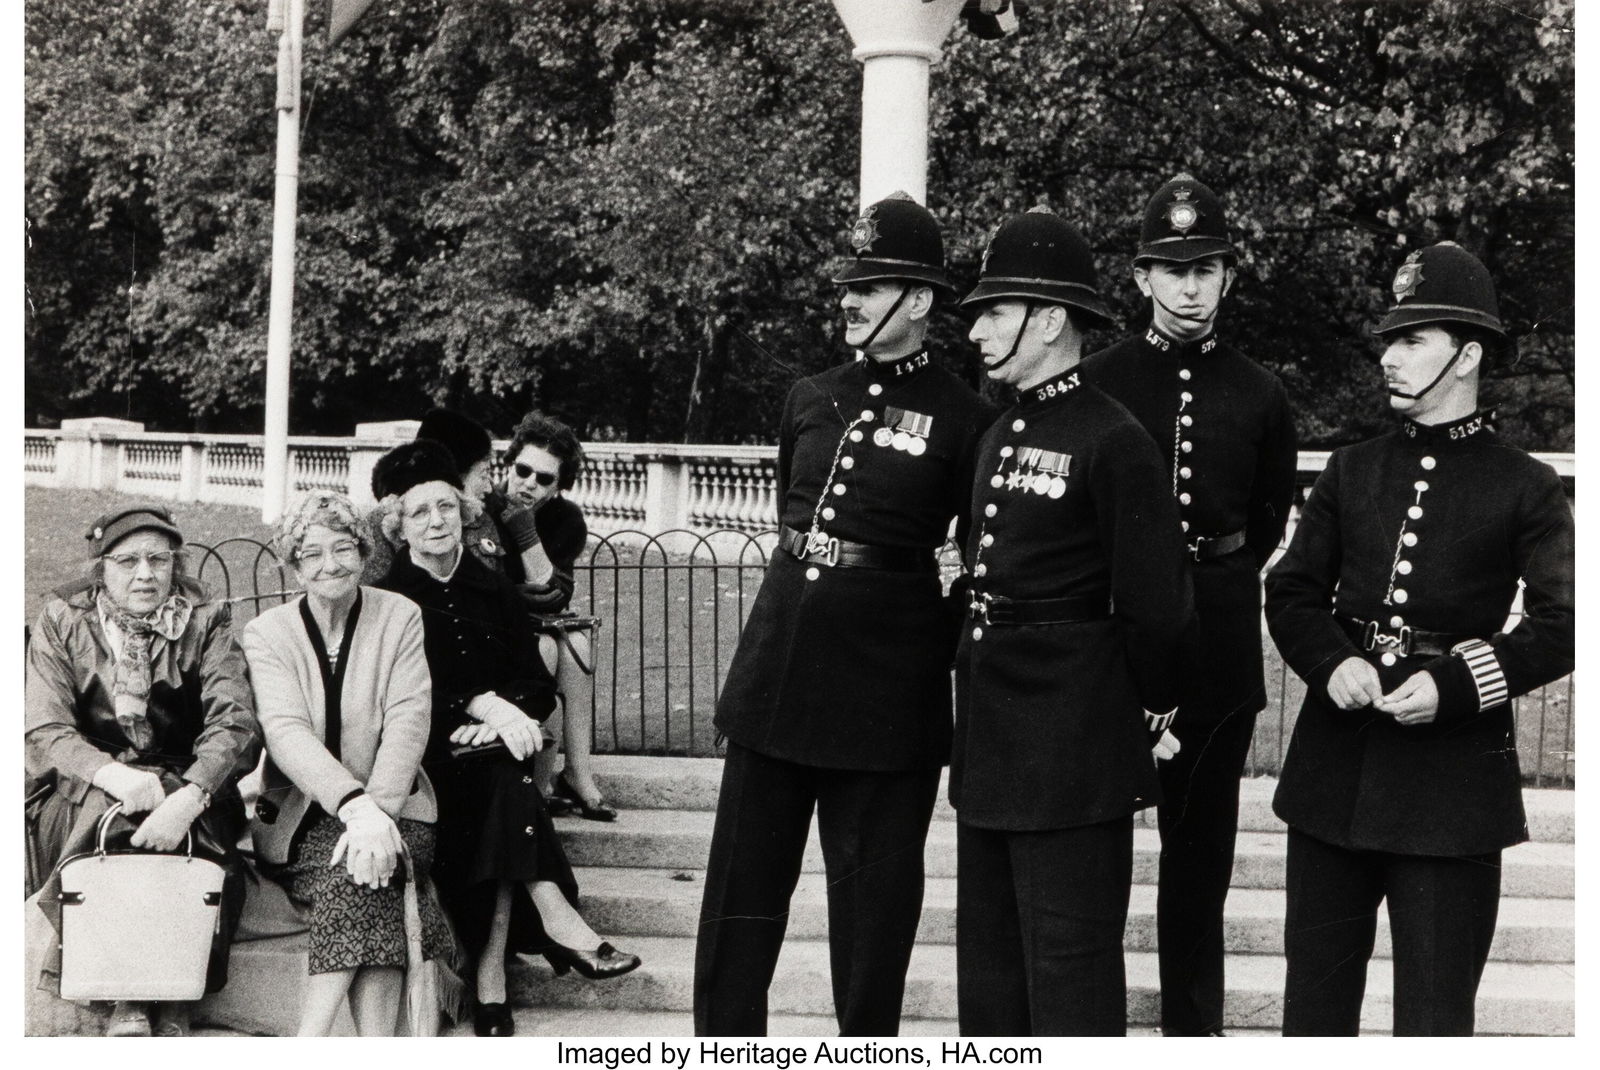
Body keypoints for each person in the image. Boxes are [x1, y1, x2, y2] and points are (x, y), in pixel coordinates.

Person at [694, 192, 993, 1036]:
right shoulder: (810, 395)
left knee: (874, 918)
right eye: (847, 287)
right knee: (739, 903)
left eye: (870, 287)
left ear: (922, 302)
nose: (849, 302)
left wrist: (927, 655)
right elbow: (800, 524)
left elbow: (978, 554)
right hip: (778, 673)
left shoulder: (967, 417)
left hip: (884, 693)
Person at [1265, 241, 1573, 1036]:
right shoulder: (1352, 469)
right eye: (1388, 341)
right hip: (1335, 776)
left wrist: (1458, 682)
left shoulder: (1524, 485)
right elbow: (1293, 588)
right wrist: (1332, 662)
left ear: (1468, 353)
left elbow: (1565, 622)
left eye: (1413, 341)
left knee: (1435, 1022)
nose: (1389, 359)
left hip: (1452, 792)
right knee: (1313, 1016)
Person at [950, 209, 1194, 1036]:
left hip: (1071, 749)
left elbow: (1159, 610)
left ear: (1049, 319)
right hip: (990, 741)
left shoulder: (1114, 439)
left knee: (1070, 977)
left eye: (994, 310)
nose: (977, 329)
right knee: (990, 975)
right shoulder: (999, 430)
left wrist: (1141, 714)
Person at [1080, 173, 1299, 1036]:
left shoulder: (1259, 391)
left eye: (1206, 269)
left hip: (1215, 643)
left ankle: (1192, 1032)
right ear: (1140, 279)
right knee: (1092, 848)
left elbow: (1266, 519)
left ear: (1228, 278)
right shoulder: (1098, 381)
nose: (1190, 286)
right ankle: (1083, 1028)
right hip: (1111, 642)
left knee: (1199, 857)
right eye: (1172, 270)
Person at [371, 440, 640, 1037]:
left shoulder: (492, 588)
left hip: (493, 756)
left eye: (447, 508)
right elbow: (389, 697)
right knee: (507, 786)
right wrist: (474, 705)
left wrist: (504, 713)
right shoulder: (389, 598)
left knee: (502, 780)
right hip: (424, 760)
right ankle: (555, 919)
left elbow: (537, 684)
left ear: (464, 515)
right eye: (420, 513)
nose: (437, 521)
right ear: (399, 526)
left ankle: (492, 974)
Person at [26, 504, 261, 1037]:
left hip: (190, 776)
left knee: (196, 833)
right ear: (101, 568)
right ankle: (126, 992)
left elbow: (236, 721)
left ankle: (179, 990)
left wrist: (190, 796)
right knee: (109, 820)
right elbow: (43, 727)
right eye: (127, 560)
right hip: (90, 777)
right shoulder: (64, 617)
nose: (146, 573)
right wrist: (116, 777)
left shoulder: (206, 618)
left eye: (159, 559)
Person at [242, 491, 453, 1036]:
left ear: (363, 553)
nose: (330, 564)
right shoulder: (268, 633)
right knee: (362, 878)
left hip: (400, 804)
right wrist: (353, 808)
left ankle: (310, 1043)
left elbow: (410, 719)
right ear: (294, 565)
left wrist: (376, 813)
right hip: (302, 815)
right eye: (312, 554)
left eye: (342, 548)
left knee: (364, 869)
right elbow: (284, 731)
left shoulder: (399, 615)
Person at [365, 408, 612, 820]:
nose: (528, 483)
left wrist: (525, 532)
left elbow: (549, 592)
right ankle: (537, 778)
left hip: (509, 623)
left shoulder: (556, 519)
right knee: (547, 653)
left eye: (545, 478)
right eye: (521, 470)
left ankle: (577, 773)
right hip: (461, 635)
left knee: (575, 648)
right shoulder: (475, 507)